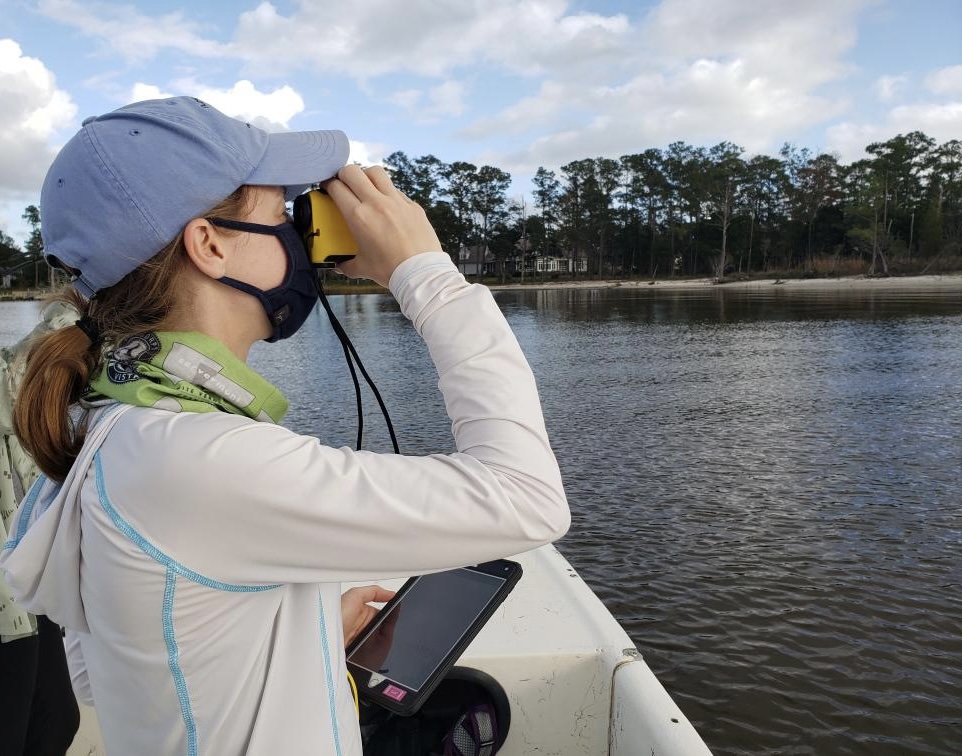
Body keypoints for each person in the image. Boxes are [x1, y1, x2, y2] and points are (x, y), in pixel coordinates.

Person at [0, 96, 569, 755]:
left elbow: (115, 666)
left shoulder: (108, 424)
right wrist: (426, 274)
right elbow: (529, 499)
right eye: (280, 213)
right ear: (208, 244)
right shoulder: (194, 458)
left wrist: (313, 622)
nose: (301, 236)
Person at [0, 302, 81, 755]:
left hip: (21, 579)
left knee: (56, 718)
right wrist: (84, 308)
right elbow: (16, 382)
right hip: (6, 601)